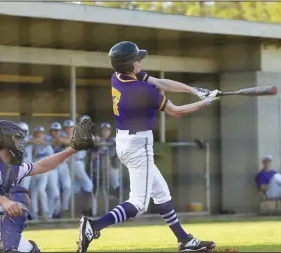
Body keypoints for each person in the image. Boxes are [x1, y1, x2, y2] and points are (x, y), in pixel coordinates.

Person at [77, 41, 218, 252]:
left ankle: (184, 240)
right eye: (137, 60)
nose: (140, 62)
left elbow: (162, 82)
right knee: (139, 204)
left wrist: (195, 91)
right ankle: (95, 226)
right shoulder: (141, 91)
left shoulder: (118, 76)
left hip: (126, 141)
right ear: (129, 64)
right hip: (138, 144)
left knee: (161, 193)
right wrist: (205, 103)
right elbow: (176, 111)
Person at [0, 119, 93, 252]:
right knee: (19, 195)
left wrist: (72, 149)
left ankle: (8, 246)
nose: (21, 143)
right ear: (5, 140)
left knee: (32, 250)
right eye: (17, 138)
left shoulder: (11, 167)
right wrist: (5, 202)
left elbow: (42, 165)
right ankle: (10, 248)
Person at [64, 119, 93, 216]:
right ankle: (84, 210)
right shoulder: (67, 136)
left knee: (75, 188)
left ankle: (78, 210)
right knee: (88, 185)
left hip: (79, 162)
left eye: (70, 127)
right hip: (74, 163)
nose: (69, 129)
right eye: (67, 128)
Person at [27, 126, 55, 220]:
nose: (38, 135)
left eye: (40, 133)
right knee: (34, 192)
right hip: (35, 169)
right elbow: (33, 154)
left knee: (41, 190)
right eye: (37, 133)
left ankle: (45, 212)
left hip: (44, 170)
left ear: (43, 134)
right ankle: (34, 214)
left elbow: (52, 159)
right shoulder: (32, 145)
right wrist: (36, 143)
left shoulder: (48, 146)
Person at [46, 121, 72, 218]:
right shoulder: (47, 138)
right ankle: (54, 212)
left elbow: (70, 141)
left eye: (57, 130)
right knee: (54, 192)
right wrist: (60, 140)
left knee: (67, 186)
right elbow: (54, 141)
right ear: (50, 131)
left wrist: (60, 139)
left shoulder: (62, 136)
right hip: (53, 167)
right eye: (54, 130)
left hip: (63, 164)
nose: (56, 132)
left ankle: (64, 208)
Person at [95, 122, 119, 198]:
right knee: (104, 184)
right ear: (101, 131)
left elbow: (113, 143)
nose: (105, 132)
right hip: (101, 167)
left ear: (110, 131)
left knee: (114, 180)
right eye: (104, 130)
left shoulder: (112, 139)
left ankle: (117, 193)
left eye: (107, 130)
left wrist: (101, 142)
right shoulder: (97, 140)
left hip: (112, 166)